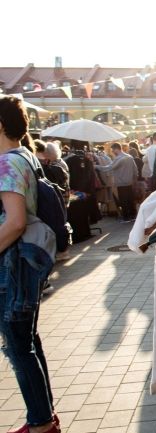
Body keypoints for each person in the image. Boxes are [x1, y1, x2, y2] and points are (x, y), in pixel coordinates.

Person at [0, 96, 60, 433]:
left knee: (17, 346)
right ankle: (44, 416)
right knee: (27, 341)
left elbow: (15, 221)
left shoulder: (7, 163)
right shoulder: (26, 156)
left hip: (13, 266)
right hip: (26, 264)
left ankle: (40, 423)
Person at [96, 143, 138, 221]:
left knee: (123, 200)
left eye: (112, 150)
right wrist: (135, 180)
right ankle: (133, 215)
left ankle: (126, 217)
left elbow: (108, 168)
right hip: (129, 182)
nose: (112, 152)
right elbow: (135, 170)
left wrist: (95, 166)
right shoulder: (129, 157)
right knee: (130, 199)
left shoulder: (119, 158)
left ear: (116, 149)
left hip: (121, 183)